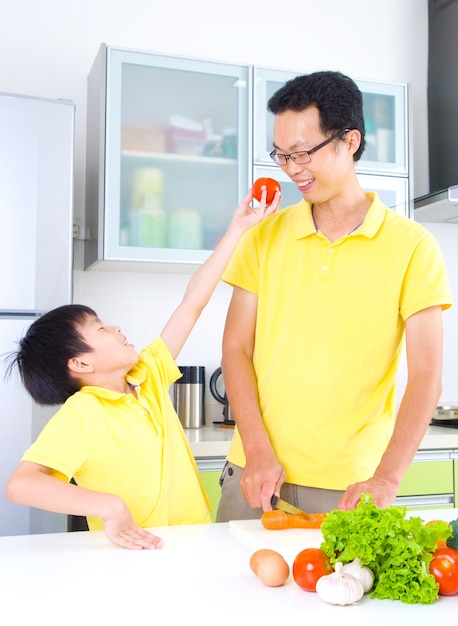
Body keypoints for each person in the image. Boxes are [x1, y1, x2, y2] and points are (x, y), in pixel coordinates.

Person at [215, 70, 453, 522]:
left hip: (350, 488)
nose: (292, 169)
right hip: (256, 475)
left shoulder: (413, 247)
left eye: (303, 153)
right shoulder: (263, 236)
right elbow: (235, 347)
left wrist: (386, 477)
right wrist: (258, 450)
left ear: (350, 140)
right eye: (282, 155)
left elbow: (426, 374)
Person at [4, 190, 280, 549]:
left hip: (191, 542)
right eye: (101, 329)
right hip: (134, 553)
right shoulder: (82, 414)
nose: (116, 329)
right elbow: (21, 484)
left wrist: (237, 229)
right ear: (81, 363)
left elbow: (192, 303)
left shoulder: (147, 376)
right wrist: (110, 507)